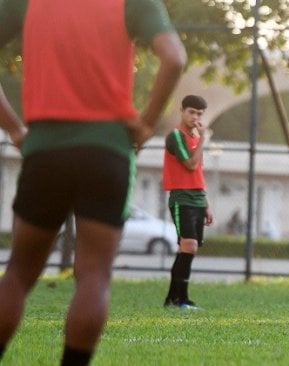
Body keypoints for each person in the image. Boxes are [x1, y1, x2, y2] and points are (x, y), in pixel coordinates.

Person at [0, 0, 186, 364]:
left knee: (20, 272)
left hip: (45, 149)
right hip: (108, 151)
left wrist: (15, 129)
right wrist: (146, 122)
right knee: (94, 274)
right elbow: (175, 58)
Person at [162, 95, 214, 309]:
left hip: (198, 199)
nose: (195, 117)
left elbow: (198, 173)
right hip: (181, 198)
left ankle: (173, 298)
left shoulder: (195, 137)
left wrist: (206, 203)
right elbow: (191, 165)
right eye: (191, 112)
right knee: (189, 246)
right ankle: (181, 299)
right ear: (182, 111)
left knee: (187, 249)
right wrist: (204, 140)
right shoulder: (175, 136)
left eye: (200, 114)